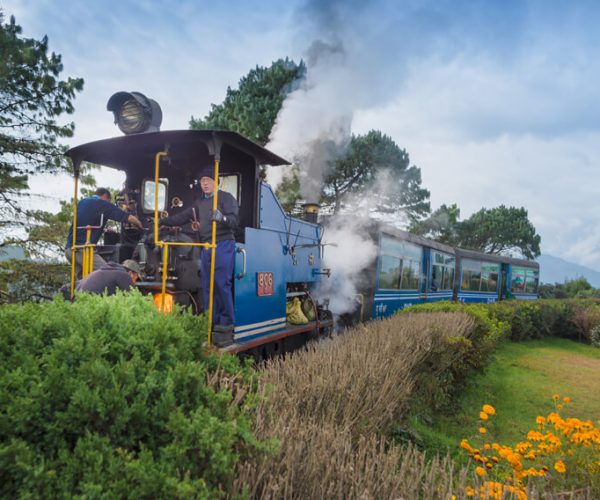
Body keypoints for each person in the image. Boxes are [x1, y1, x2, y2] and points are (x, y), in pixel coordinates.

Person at [160, 167, 238, 334]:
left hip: (223, 244)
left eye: (208, 180)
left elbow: (234, 221)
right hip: (206, 246)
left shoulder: (226, 198)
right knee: (207, 284)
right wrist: (163, 221)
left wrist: (222, 218)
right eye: (202, 181)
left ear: (216, 181)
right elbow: (182, 217)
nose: (205, 183)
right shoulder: (199, 203)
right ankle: (211, 319)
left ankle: (227, 322)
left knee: (221, 282)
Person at [65, 187, 143, 278]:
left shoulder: (82, 202)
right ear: (105, 197)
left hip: (69, 250)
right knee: (108, 274)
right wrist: (140, 226)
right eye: (109, 201)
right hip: (83, 250)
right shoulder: (103, 204)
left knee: (84, 281)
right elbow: (128, 217)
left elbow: (86, 219)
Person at [75, 259, 141, 295]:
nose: (135, 282)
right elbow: (133, 298)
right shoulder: (124, 275)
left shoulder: (106, 271)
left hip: (77, 298)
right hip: (88, 302)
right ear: (130, 273)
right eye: (136, 278)